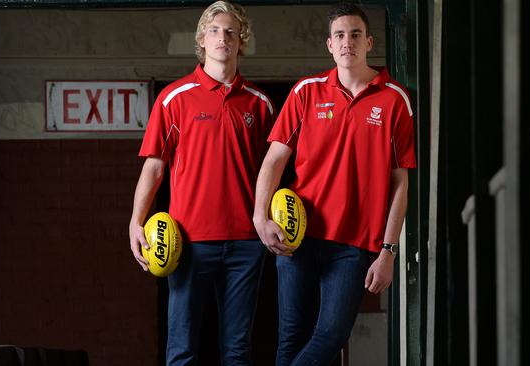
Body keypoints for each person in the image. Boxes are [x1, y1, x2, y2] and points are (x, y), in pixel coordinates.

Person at [253, 3, 416, 365]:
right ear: (329, 44)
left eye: (355, 34)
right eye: (340, 35)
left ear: (369, 41)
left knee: (331, 335)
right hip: (297, 235)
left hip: (354, 244)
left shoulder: (394, 100)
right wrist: (259, 218)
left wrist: (388, 251)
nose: (347, 42)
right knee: (291, 335)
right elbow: (274, 160)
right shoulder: (306, 93)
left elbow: (400, 183)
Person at [128, 2, 274, 365]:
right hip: (188, 243)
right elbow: (154, 168)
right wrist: (136, 220)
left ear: (242, 42)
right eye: (214, 31)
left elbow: (271, 173)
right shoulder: (173, 99)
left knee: (237, 352)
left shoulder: (261, 104)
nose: (222, 38)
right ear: (202, 40)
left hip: (245, 244)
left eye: (230, 32)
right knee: (182, 350)